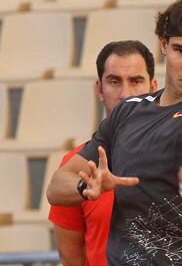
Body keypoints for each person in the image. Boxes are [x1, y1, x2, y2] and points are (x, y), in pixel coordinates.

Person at [47, 0, 182, 266]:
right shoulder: (127, 111)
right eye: (180, 50)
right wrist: (86, 185)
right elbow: (57, 187)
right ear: (164, 45)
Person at [47, 40, 158, 266]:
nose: (125, 94)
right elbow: (71, 260)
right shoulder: (76, 165)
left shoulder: (177, 152)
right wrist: (86, 188)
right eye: (114, 81)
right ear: (99, 89)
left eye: (136, 81)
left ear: (153, 88)